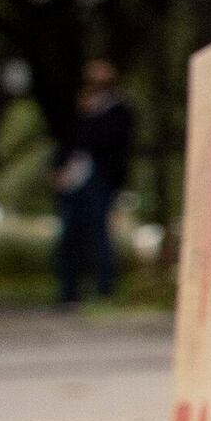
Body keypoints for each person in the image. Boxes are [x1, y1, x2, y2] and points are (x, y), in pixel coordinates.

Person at [50, 61, 136, 307]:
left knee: (99, 235)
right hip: (73, 180)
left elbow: (117, 143)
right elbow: (67, 142)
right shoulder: (80, 110)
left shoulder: (119, 110)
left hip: (99, 180)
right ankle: (68, 292)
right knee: (68, 237)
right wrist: (58, 169)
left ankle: (104, 291)